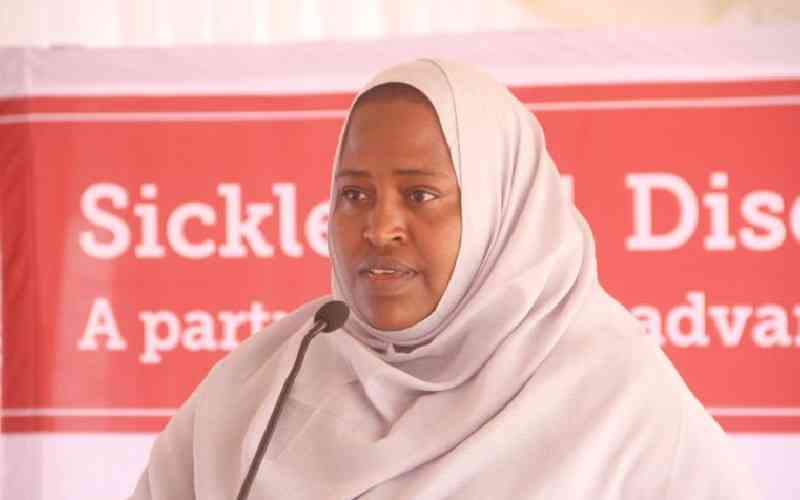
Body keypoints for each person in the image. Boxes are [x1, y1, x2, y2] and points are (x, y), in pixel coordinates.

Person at [130, 59, 760, 499]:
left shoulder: (618, 403)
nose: (380, 228)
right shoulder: (260, 389)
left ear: (502, 211)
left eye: (420, 195)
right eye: (354, 194)